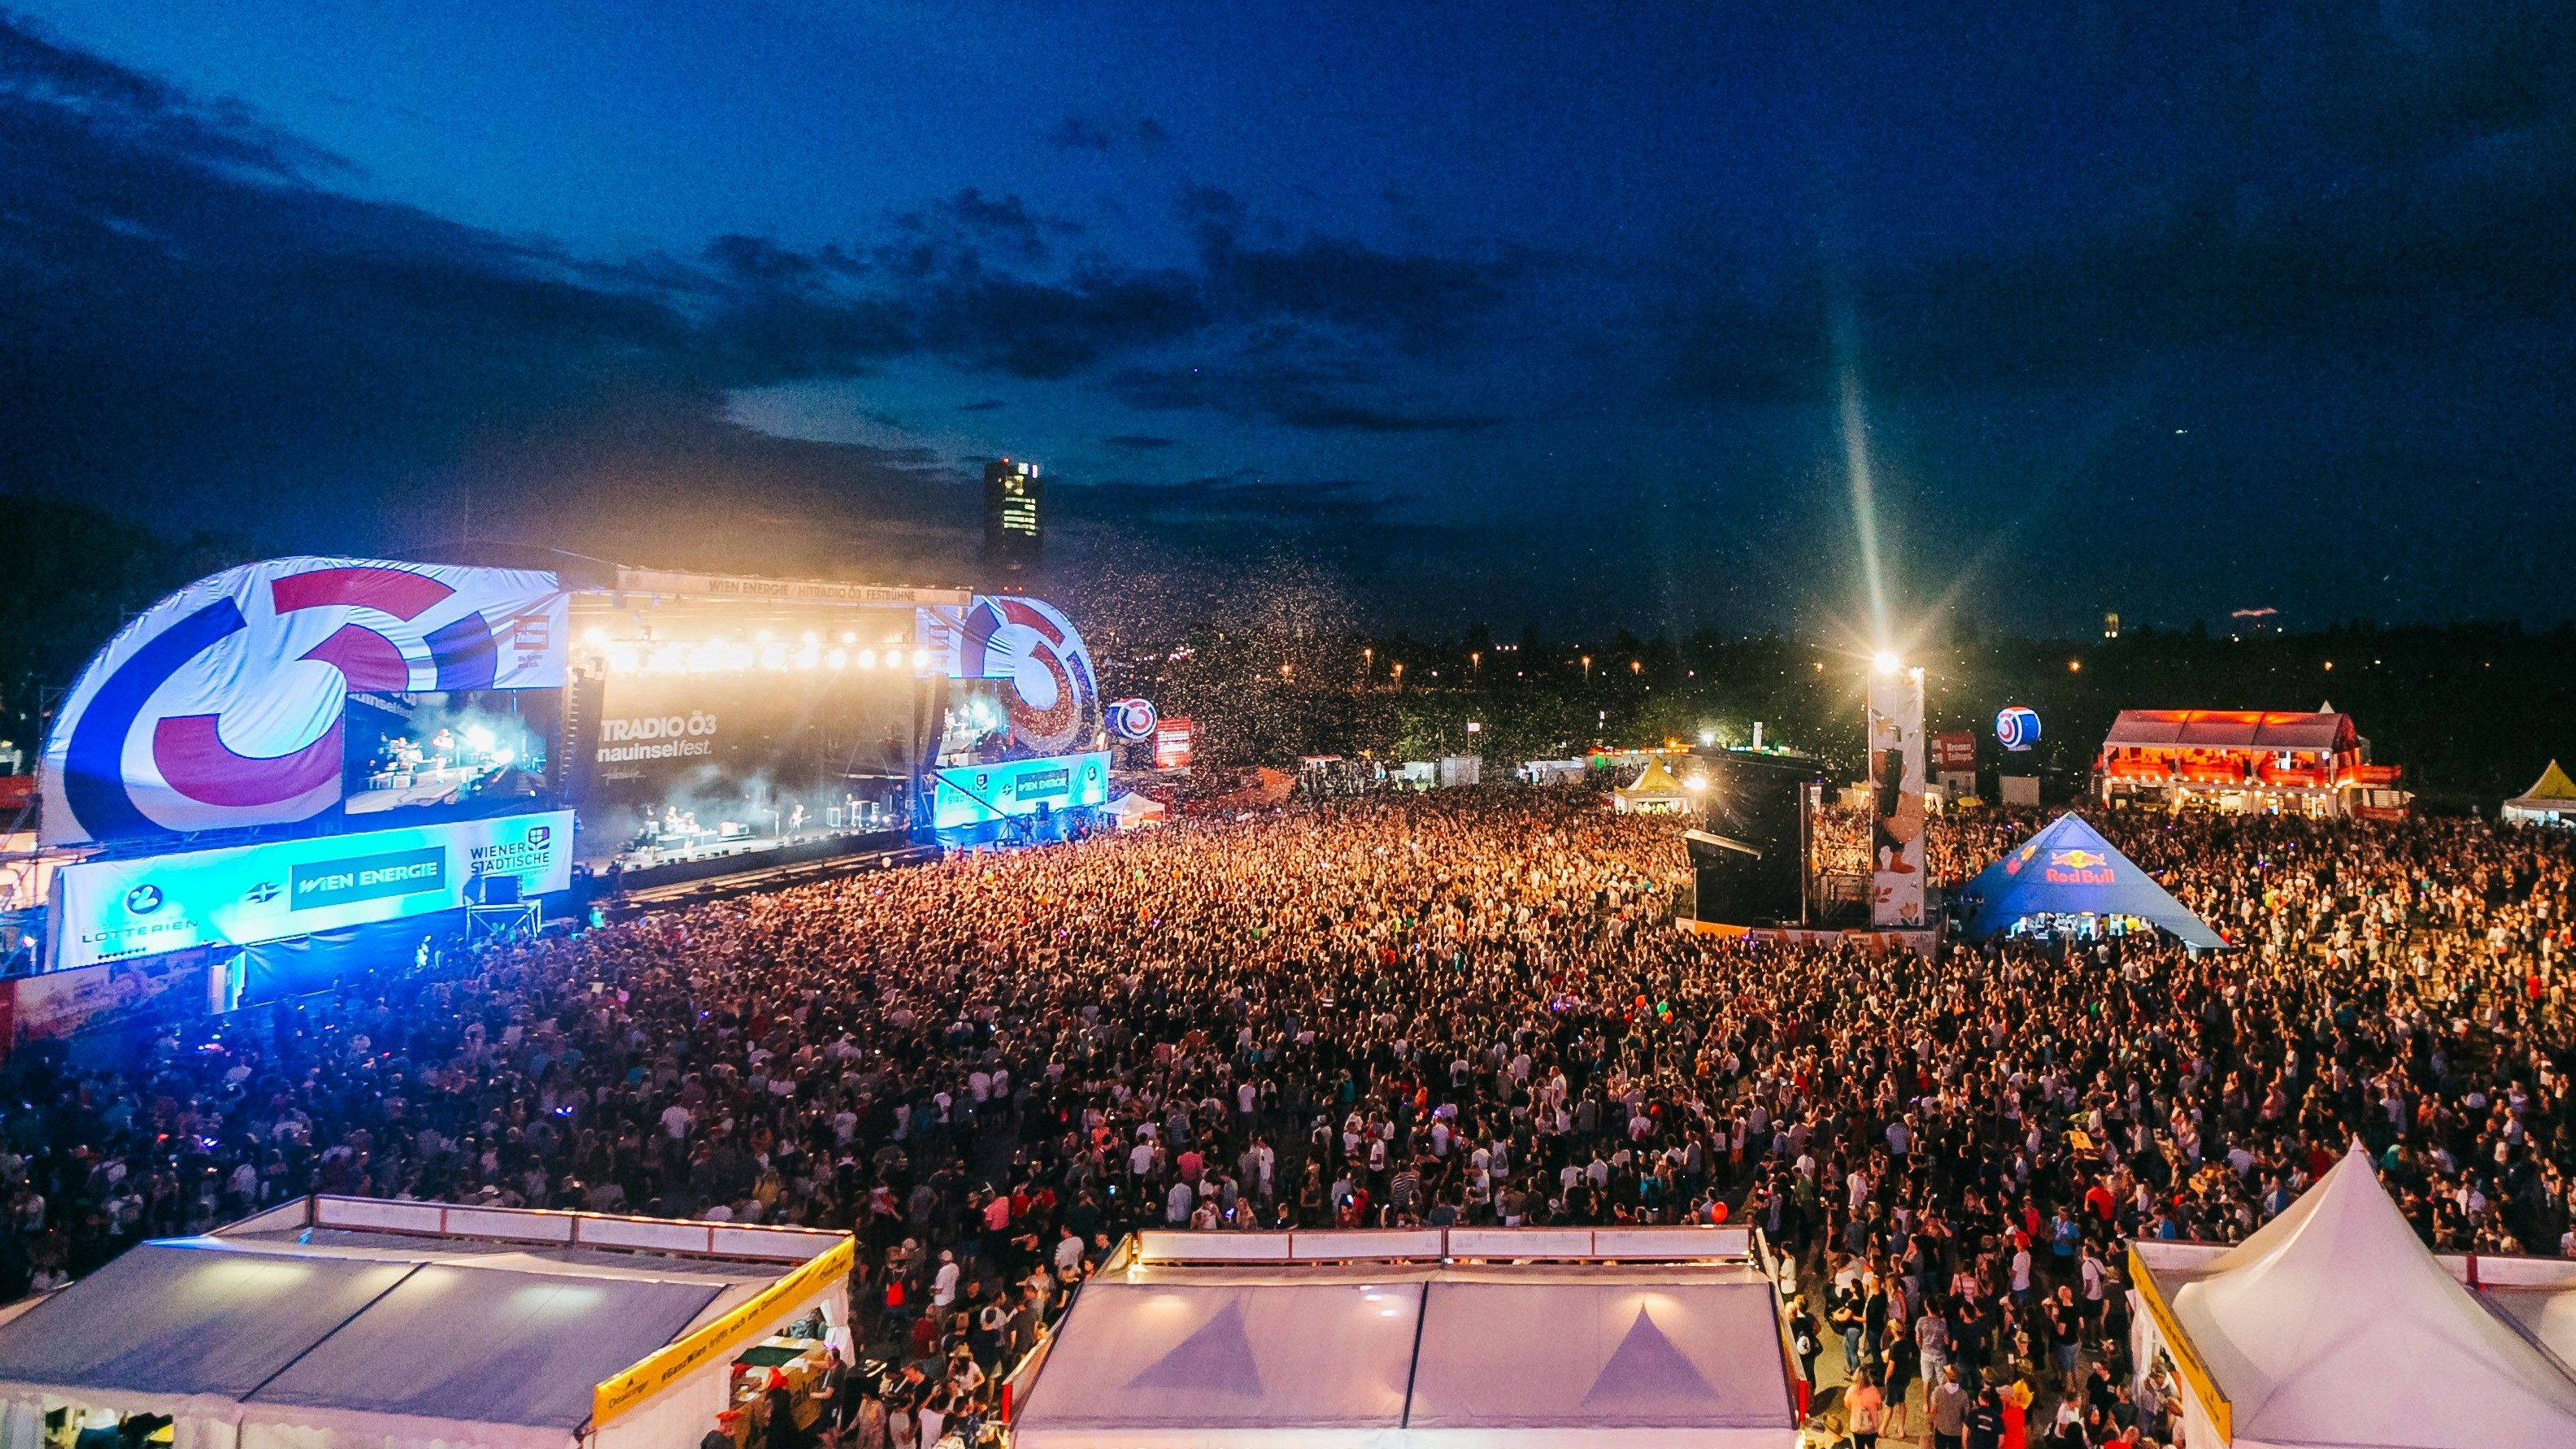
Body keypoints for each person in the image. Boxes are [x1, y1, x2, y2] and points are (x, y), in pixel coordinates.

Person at [1930, 1364, 1970, 1449]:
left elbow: (1933, 1410)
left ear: (1947, 1377)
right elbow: (1967, 1414)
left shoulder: (1938, 1391)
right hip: (1956, 1432)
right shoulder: (1963, 1395)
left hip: (1941, 1429)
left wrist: (1931, 1421)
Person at [1845, 1368, 1886, 1449]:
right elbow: (1880, 1407)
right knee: (1871, 1446)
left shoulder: (1851, 1390)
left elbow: (1847, 1405)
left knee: (1859, 1446)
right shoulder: (1874, 1391)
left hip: (1856, 1427)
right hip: (1871, 1428)